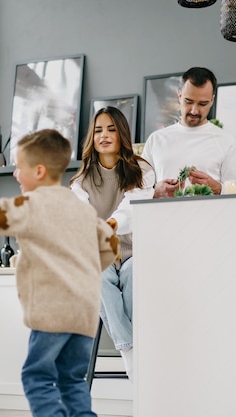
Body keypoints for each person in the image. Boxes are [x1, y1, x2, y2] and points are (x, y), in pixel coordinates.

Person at [0, 128, 119, 417]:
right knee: (72, 379)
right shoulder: (82, 209)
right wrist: (83, 270)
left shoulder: (32, 205)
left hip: (53, 312)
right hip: (85, 314)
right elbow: (110, 244)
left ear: (38, 171)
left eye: (19, 168)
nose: (15, 174)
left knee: (36, 378)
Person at [70, 106, 155, 379]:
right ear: (91, 138)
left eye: (111, 129)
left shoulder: (141, 170)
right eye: (98, 130)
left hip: (133, 251)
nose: (104, 135)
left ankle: (129, 348)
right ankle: (131, 351)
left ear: (122, 134)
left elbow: (132, 209)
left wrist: (109, 225)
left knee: (132, 275)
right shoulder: (81, 180)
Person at [141, 67, 236, 197]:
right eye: (188, 102)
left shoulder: (227, 142)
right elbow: (136, 191)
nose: (194, 111)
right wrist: (155, 192)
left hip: (211, 217)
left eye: (202, 104)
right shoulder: (156, 140)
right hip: (163, 217)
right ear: (179, 96)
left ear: (212, 100)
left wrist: (217, 188)